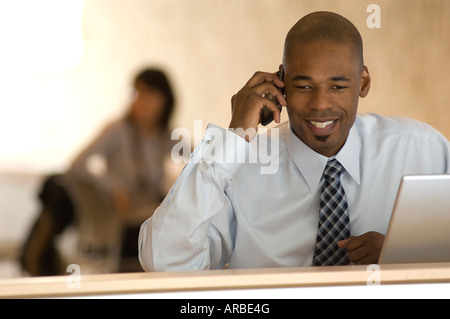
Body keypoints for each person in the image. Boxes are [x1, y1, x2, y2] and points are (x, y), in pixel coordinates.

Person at [138, 12, 450, 271]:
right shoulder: (240, 166)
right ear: (281, 84)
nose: (320, 105)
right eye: (303, 87)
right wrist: (233, 139)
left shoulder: (422, 149)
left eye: (337, 87)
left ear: (363, 83)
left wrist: (405, 257)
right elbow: (164, 263)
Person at [67, 68, 177, 273]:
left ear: (165, 100)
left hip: (151, 215)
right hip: (121, 216)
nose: (141, 101)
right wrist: (113, 186)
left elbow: (199, 160)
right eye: (136, 93)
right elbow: (77, 165)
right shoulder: (118, 130)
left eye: (149, 94)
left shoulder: (167, 136)